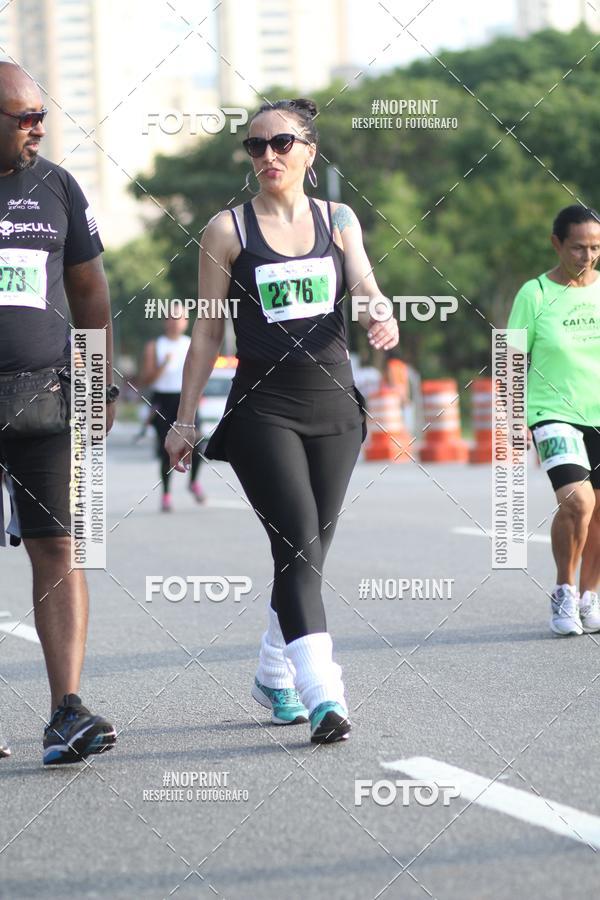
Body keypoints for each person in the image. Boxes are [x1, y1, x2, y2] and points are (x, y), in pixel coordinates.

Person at [166, 98, 398, 742]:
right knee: (296, 540)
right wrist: (185, 419)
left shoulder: (340, 218)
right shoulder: (226, 231)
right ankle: (326, 696)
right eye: (255, 146)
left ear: (309, 152)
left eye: (282, 143)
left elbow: (365, 283)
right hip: (263, 409)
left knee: (309, 552)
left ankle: (273, 670)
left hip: (334, 407)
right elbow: (208, 332)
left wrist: (380, 311)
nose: (268, 155)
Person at [0, 63, 118, 764]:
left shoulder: (58, 188)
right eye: (22, 117)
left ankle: (65, 712)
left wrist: (98, 386)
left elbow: (90, 294)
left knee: (57, 547)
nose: (36, 126)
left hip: (40, 397)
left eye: (40, 113)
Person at [508, 204, 600, 636]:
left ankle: (589, 595)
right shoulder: (535, 294)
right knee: (578, 502)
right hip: (553, 413)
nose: (587, 256)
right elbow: (511, 359)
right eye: (579, 247)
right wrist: (513, 423)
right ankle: (564, 589)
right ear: (556, 244)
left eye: (596, 247)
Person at [140, 310, 204, 511]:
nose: (175, 322)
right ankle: (166, 494)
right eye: (171, 318)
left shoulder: (190, 343)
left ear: (186, 322)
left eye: (180, 318)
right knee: (165, 449)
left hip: (185, 399)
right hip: (163, 400)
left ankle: (193, 482)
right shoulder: (155, 346)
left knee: (199, 443)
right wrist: (163, 365)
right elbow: (146, 380)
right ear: (165, 321)